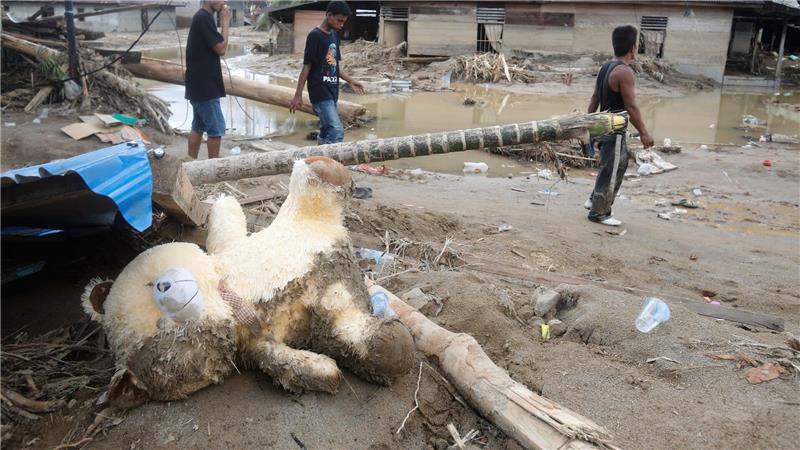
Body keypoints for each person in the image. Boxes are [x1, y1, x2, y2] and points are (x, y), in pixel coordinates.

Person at [585, 25, 654, 226]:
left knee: (615, 165)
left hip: (602, 127)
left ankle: (593, 199)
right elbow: (631, 107)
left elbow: (594, 98)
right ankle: (600, 213)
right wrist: (644, 133)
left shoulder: (605, 67)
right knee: (613, 168)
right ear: (633, 48)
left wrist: (590, 126)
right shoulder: (624, 72)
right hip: (614, 130)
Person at [289, 1, 364, 144]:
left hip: (332, 91)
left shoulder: (334, 35)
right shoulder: (315, 36)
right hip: (320, 92)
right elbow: (306, 67)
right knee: (336, 131)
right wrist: (297, 95)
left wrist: (350, 81)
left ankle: (319, 160)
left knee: (325, 131)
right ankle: (330, 164)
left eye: (344, 22)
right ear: (329, 15)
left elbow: (335, 66)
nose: (342, 25)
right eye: (339, 21)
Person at [185, 0, 231, 159]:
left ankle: (190, 162)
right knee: (216, 129)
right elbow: (221, 48)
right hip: (205, 87)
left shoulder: (203, 17)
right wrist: (225, 22)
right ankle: (213, 169)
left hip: (198, 85)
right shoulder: (203, 18)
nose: (224, 2)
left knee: (198, 126)